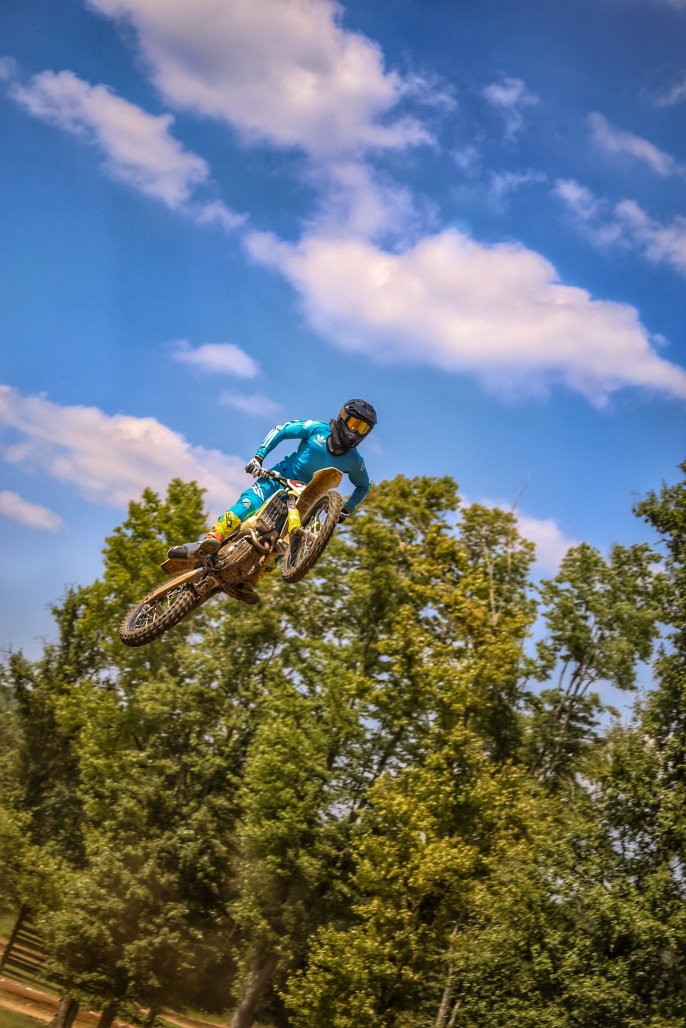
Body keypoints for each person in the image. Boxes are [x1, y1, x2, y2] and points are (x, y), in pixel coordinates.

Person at [168, 399, 377, 604]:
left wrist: (347, 509)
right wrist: (259, 457)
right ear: (342, 418)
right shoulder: (316, 429)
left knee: (284, 545)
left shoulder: (355, 461)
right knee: (248, 505)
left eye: (363, 429)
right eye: (354, 424)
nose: (356, 432)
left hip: (305, 498)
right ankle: (212, 538)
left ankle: (252, 577)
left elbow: (363, 486)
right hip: (278, 479)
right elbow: (282, 430)